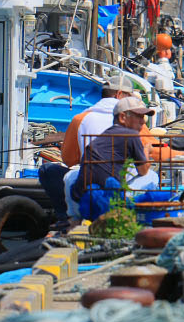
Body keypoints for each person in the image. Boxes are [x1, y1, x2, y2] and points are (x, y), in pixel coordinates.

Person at [37, 79, 131, 223]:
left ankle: (64, 218)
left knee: (47, 170)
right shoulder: (133, 119)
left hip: (90, 183)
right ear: (119, 94)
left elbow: (68, 160)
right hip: (124, 182)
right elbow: (151, 152)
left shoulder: (80, 118)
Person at [68, 94, 160, 202]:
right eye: (139, 116)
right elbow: (143, 171)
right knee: (151, 176)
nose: (143, 121)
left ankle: (73, 217)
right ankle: (134, 212)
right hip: (110, 196)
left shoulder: (105, 135)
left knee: (71, 175)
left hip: (81, 196)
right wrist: (146, 150)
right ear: (122, 117)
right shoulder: (131, 135)